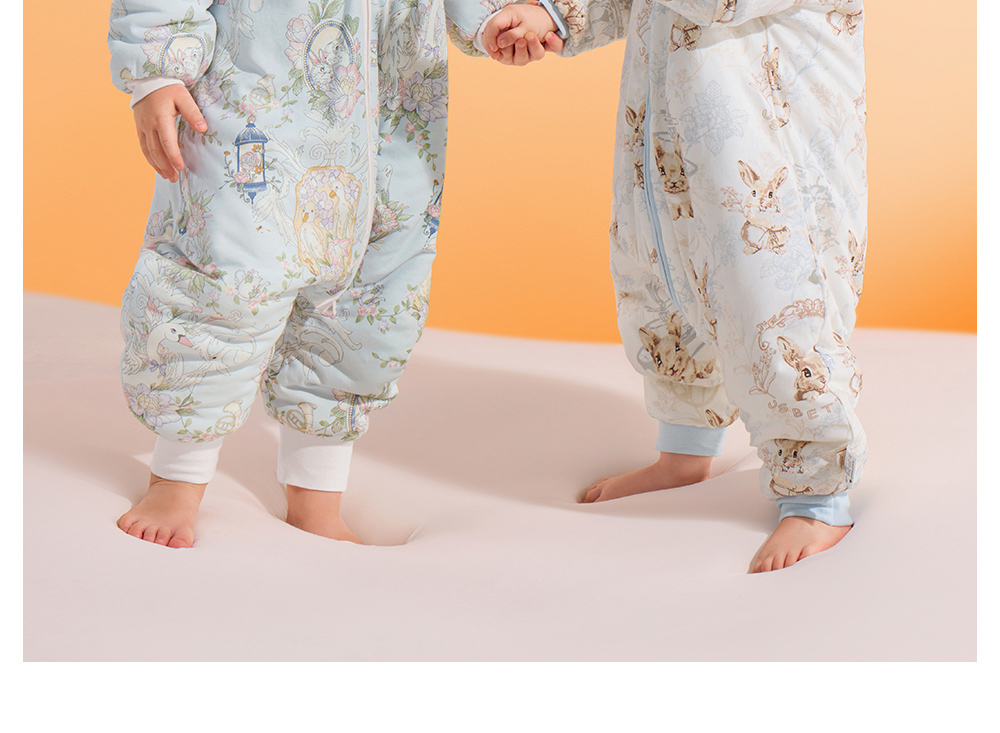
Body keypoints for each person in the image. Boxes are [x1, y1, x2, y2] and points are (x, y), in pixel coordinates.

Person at [109, 0, 557, 548]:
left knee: (370, 307)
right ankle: (176, 478)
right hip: (256, 101)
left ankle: (316, 495)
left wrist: (497, 17)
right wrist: (156, 67)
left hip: (395, 119)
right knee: (226, 288)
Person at [483, 0, 868, 573]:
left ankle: (818, 495)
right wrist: (557, 15)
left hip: (770, 170)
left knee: (771, 308)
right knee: (660, 291)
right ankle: (684, 454)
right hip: (669, 147)